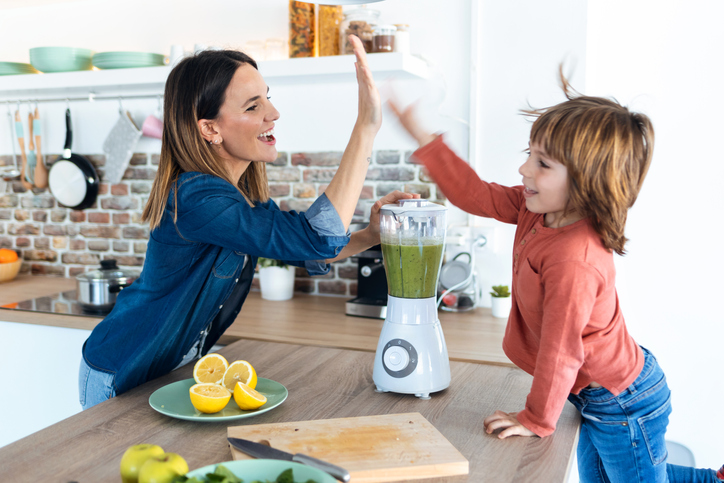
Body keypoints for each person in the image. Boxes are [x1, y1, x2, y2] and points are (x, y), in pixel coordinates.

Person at [388, 73, 724, 483]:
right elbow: (474, 193)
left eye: (542, 163)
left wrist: (536, 418)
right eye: (529, 154)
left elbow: (561, 350)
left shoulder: (574, 260)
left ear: (587, 181)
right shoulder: (538, 208)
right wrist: (424, 137)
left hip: (621, 402)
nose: (523, 168)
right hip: (595, 394)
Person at [79, 35, 413, 409]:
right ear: (210, 129)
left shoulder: (240, 197)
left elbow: (303, 250)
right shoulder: (198, 198)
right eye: (253, 106)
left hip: (172, 368)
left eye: (268, 98)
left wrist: (370, 235)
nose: (273, 113)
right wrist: (366, 128)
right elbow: (316, 238)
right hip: (125, 370)